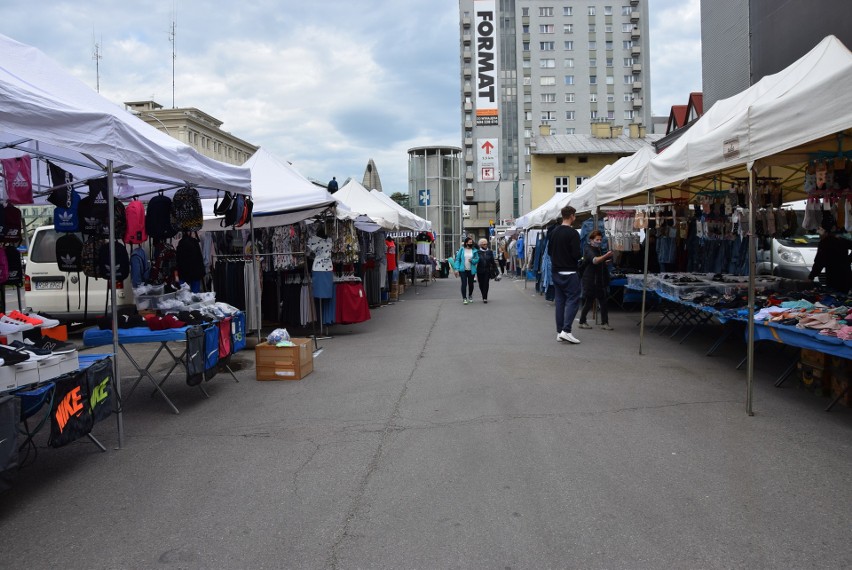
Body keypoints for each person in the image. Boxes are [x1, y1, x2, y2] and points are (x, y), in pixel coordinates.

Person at [547, 205, 582, 344]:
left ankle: (560, 331)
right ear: (572, 216)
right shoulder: (573, 233)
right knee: (573, 300)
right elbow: (576, 254)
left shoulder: (553, 232)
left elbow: (549, 252)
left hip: (556, 271)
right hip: (570, 271)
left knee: (560, 301)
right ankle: (566, 331)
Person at [577, 230, 614, 330]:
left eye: (600, 239)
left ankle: (604, 323)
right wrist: (606, 256)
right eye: (597, 239)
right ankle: (582, 321)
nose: (599, 241)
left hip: (598, 280)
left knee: (603, 301)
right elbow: (595, 260)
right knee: (589, 302)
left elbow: (599, 261)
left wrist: (604, 261)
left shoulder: (598, 249)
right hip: (591, 280)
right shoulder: (588, 249)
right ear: (591, 240)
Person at [808, 223, 852, 291]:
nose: (818, 232)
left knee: (834, 295)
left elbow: (819, 262)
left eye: (820, 229)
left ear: (826, 231)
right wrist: (848, 260)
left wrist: (811, 276)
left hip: (833, 275)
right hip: (845, 274)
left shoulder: (825, 242)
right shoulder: (842, 239)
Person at [452, 236, 479, 304]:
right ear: (466, 243)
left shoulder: (474, 250)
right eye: (470, 242)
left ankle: (470, 295)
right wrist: (456, 269)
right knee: (464, 284)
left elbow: (477, 259)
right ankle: (464, 298)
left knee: (471, 284)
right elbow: (458, 260)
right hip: (463, 270)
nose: (471, 243)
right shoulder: (462, 250)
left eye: (472, 242)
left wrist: (472, 260)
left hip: (471, 270)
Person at [475, 238, 498, 303]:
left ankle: (485, 297)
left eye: (486, 244)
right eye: (484, 244)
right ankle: (483, 294)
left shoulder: (490, 252)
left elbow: (492, 262)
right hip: (479, 270)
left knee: (486, 283)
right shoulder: (477, 252)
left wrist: (496, 270)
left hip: (487, 270)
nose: (486, 245)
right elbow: (475, 260)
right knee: (481, 284)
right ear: (480, 245)